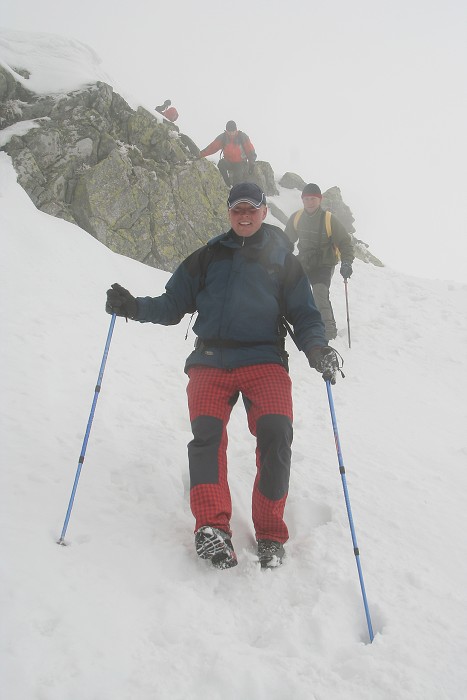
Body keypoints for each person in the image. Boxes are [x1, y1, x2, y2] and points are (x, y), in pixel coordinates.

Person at [106, 182, 339, 570]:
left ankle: (268, 533)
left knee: (276, 435)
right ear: (229, 213)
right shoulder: (208, 257)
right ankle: (211, 529)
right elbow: (172, 304)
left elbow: (305, 313)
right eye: (236, 210)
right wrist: (132, 307)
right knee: (207, 439)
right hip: (211, 360)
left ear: (264, 212)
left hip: (265, 358)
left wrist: (317, 348)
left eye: (251, 209)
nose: (244, 215)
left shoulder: (283, 258)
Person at [284, 183, 354, 341]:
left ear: (320, 199)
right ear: (302, 200)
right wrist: (281, 257)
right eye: (307, 199)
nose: (310, 202)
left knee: (319, 292)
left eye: (313, 199)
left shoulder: (329, 219)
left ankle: (328, 330)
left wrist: (346, 262)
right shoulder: (297, 217)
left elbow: (345, 242)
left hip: (324, 263)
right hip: (303, 260)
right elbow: (286, 241)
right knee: (290, 288)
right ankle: (299, 323)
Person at [198, 120, 257, 187]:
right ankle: (227, 184)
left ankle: (235, 192)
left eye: (233, 131)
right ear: (226, 131)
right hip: (228, 162)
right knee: (221, 163)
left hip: (240, 163)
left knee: (237, 177)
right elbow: (212, 147)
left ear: (236, 130)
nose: (231, 133)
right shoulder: (223, 137)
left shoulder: (242, 137)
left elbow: (250, 151)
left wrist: (251, 164)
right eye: (229, 132)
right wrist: (200, 154)